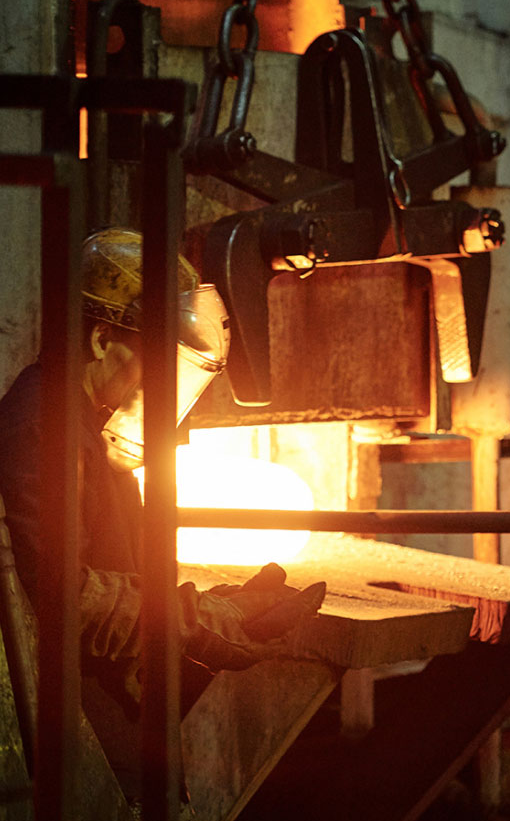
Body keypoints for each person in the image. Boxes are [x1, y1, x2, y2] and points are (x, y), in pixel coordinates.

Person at [0, 227, 325, 790]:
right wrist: (200, 621)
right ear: (102, 339)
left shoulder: (84, 426)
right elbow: (61, 596)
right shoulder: (44, 423)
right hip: (71, 736)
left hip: (102, 718)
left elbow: (110, 573)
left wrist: (213, 607)